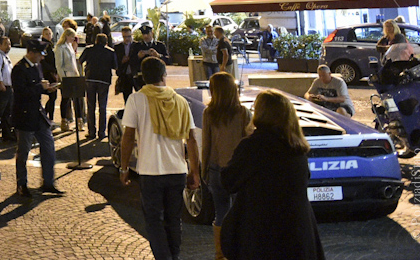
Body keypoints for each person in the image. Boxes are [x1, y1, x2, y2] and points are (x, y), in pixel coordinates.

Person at [221, 91, 326, 260]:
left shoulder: (253, 146)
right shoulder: (297, 147)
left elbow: (228, 181)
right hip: (298, 228)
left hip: (264, 230)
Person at [119, 57, 201, 260]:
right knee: (174, 219)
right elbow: (191, 139)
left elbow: (128, 137)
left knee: (154, 221)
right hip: (177, 170)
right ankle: (174, 256)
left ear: (143, 77)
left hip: (150, 171)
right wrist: (195, 171)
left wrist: (124, 167)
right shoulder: (180, 102)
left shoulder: (137, 99)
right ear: (164, 75)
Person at [202, 72, 251, 260]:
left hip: (216, 169)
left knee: (221, 213)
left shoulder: (209, 112)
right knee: (241, 214)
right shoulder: (243, 113)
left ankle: (220, 254)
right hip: (239, 171)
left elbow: (206, 144)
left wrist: (203, 170)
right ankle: (239, 252)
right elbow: (249, 144)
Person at [11, 39, 64, 198]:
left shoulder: (36, 66)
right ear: (31, 52)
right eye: (40, 54)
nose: (42, 57)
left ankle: (48, 182)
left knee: (48, 146)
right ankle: (22, 184)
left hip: (38, 114)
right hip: (25, 115)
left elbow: (37, 88)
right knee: (24, 151)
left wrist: (49, 89)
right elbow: (21, 92)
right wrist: (39, 87)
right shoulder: (19, 69)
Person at [79, 33, 117, 141]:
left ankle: (91, 132)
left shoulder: (88, 49)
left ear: (95, 40)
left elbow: (80, 61)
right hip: (104, 80)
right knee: (102, 106)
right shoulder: (110, 51)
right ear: (106, 42)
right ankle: (101, 132)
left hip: (90, 78)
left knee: (91, 106)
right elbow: (115, 66)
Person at [55, 27, 83, 130]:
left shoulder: (70, 46)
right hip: (66, 76)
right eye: (72, 37)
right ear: (66, 36)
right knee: (65, 100)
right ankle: (64, 121)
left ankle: (79, 121)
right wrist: (63, 78)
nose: (73, 39)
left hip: (74, 75)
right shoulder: (60, 48)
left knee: (77, 99)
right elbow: (59, 65)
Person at [129, 24, 169, 91]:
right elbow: (131, 61)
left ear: (152, 33)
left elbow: (168, 60)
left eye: (147, 33)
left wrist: (158, 56)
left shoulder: (160, 45)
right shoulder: (136, 46)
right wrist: (138, 56)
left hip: (157, 78)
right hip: (141, 77)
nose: (145, 36)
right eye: (143, 34)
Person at [115, 25, 136, 102]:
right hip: (125, 75)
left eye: (129, 36)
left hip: (135, 74)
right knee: (127, 98)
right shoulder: (118, 47)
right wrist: (121, 61)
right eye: (124, 37)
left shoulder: (136, 45)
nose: (127, 39)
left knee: (140, 96)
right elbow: (115, 62)